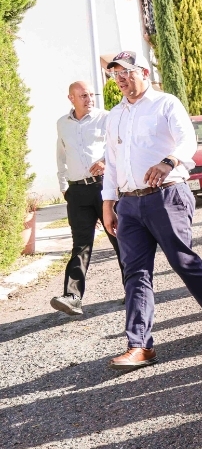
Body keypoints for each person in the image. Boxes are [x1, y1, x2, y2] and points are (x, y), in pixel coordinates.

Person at [100, 50, 202, 371]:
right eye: (116, 74)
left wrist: (169, 161)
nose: (120, 78)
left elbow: (188, 141)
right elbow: (112, 163)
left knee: (182, 260)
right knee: (135, 272)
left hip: (167, 195)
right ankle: (139, 345)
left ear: (144, 73)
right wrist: (108, 203)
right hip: (129, 203)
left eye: (126, 72)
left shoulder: (166, 104)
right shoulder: (114, 116)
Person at [50, 81, 125, 316]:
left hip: (105, 188)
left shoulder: (106, 118)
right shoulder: (62, 124)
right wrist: (64, 187)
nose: (89, 99)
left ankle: (135, 288)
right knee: (80, 245)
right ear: (71, 98)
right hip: (77, 192)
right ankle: (72, 297)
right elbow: (61, 155)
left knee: (120, 239)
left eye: (91, 94)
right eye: (83, 95)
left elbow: (120, 147)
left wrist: (104, 162)